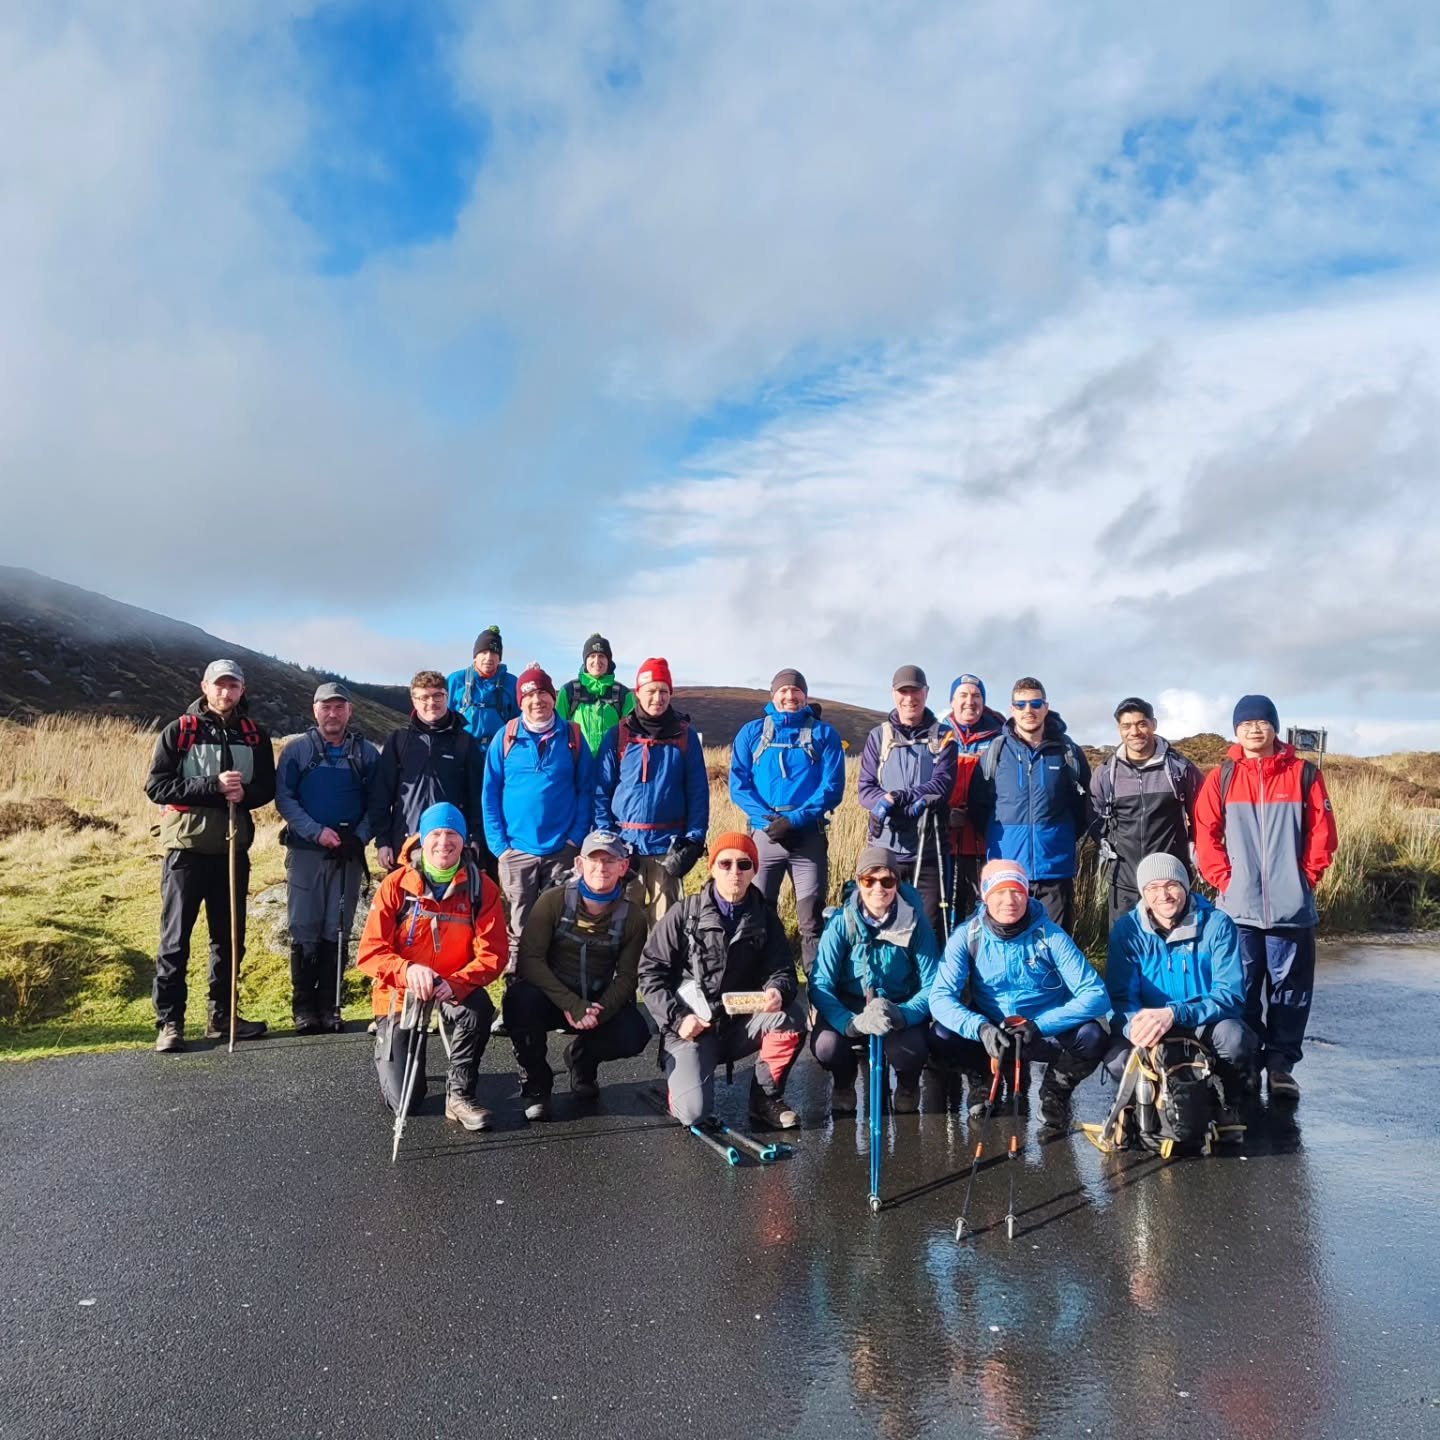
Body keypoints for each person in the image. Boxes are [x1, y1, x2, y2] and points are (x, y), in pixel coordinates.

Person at [1194, 695, 1338, 1101]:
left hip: (1291, 909)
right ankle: (1246, 1064)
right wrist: (1225, 880)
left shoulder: (1304, 773)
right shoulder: (1221, 777)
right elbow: (1205, 834)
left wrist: (1306, 878)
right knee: (1239, 990)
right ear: (1236, 730)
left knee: (1290, 992)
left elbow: (1322, 832)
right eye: (1246, 724)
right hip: (1237, 911)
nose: (1255, 729)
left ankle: (1280, 1067)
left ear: (1274, 726)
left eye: (1262, 722)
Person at [145, 659, 276, 1052]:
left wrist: (245, 794)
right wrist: (212, 786)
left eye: (232, 685)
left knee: (229, 940)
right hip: (185, 851)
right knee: (175, 940)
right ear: (205, 686)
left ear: (242, 689)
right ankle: (170, 1022)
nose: (225, 692)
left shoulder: (254, 735)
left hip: (232, 849)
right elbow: (157, 787)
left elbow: (267, 787)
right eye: (219, 685)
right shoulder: (180, 731)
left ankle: (222, 1017)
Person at [639, 832, 806, 1130]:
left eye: (744, 864)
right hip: (692, 1027)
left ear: (754, 870)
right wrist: (678, 1020)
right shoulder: (684, 914)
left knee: (791, 1017)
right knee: (693, 1114)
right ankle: (682, 1085)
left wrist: (777, 990)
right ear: (712, 868)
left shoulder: (765, 917)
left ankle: (765, 1098)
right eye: (725, 863)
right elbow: (650, 973)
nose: (734, 872)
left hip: (740, 1025)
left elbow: (782, 970)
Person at [355, 803, 507, 1130]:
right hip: (402, 992)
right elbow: (370, 952)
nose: (443, 842)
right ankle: (394, 1045)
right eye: (435, 833)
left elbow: (493, 954)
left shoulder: (482, 888)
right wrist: (408, 971)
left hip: (451, 985)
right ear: (423, 839)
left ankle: (460, 1094)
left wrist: (457, 983)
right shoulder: (395, 885)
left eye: (452, 833)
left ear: (463, 839)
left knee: (478, 1008)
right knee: (404, 1102)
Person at [929, 859, 1107, 1132]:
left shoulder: (1051, 936)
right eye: (1000, 892)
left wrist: (1040, 1026)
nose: (1009, 900)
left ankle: (1055, 1089)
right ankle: (981, 1078)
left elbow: (1095, 994)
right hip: (992, 1032)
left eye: (1016, 891)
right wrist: (980, 1028)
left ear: (1026, 894)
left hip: (1040, 1032)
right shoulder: (967, 935)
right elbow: (940, 998)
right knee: (940, 1035)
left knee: (1092, 1037)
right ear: (985, 896)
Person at [503, 829, 652, 1120]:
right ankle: (537, 1086)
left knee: (634, 1034)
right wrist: (572, 1005)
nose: (601, 867)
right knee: (518, 1001)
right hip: (551, 995)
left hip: (596, 1001)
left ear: (623, 866)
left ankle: (582, 1060)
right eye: (594, 860)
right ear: (579, 864)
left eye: (610, 861)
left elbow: (627, 977)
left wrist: (598, 1010)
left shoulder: (633, 917)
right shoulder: (553, 901)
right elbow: (530, 961)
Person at [1104, 852, 1257, 1105]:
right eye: (1153, 888)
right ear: (1143, 892)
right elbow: (1120, 999)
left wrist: (1175, 1013)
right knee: (1117, 1061)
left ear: (1185, 886)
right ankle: (1142, 1107)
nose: (1163, 895)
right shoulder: (1127, 931)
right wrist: (1134, 1027)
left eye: (1171, 885)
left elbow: (1230, 995)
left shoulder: (1217, 925)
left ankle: (1227, 1098)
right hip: (1151, 1023)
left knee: (1234, 1040)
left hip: (1203, 1023)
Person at [274, 681, 379, 1033]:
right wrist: (316, 831)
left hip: (347, 856)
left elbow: (379, 802)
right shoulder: (296, 751)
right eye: (326, 707)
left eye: (339, 707)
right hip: (306, 853)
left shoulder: (366, 754)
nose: (332, 713)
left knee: (338, 927)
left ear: (349, 711)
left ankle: (330, 1006)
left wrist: (359, 837)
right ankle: (304, 1008)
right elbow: (285, 798)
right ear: (315, 710)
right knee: (304, 926)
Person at [729, 668, 847, 976]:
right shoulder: (751, 733)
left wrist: (794, 820)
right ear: (773, 695)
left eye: (796, 691)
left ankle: (818, 990)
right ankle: (763, 982)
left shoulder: (824, 734)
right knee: (758, 914)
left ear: (805, 696)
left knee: (811, 919)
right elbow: (739, 785)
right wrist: (768, 821)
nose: (790, 696)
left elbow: (832, 788)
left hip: (807, 837)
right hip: (765, 835)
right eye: (783, 690)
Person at [810, 846, 939, 1116]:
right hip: (850, 1004)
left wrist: (902, 1014)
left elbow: (932, 985)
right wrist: (849, 1023)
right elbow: (820, 984)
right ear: (859, 882)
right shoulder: (841, 922)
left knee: (912, 1050)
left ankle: (907, 1084)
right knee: (826, 1046)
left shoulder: (916, 924)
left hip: (899, 1004)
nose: (878, 888)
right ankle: (844, 1082)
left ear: (897, 884)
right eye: (869, 880)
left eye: (887, 881)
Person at [483, 663, 596, 966]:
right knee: (519, 925)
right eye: (529, 696)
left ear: (553, 696)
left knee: (561, 922)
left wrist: (574, 839)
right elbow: (490, 793)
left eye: (543, 693)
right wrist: (500, 847)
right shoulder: (504, 738)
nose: (537, 701)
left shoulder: (572, 736)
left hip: (561, 850)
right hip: (516, 851)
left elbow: (586, 790)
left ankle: (557, 985)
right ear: (520, 702)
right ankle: (519, 983)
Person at [966, 677, 1092, 934]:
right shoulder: (996, 752)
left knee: (1055, 943)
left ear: (1046, 707)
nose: (1028, 710)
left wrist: (1062, 836)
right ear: (1012, 709)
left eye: (1035, 704)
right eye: (1021, 704)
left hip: (1054, 869)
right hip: (1007, 871)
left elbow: (1085, 804)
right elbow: (978, 806)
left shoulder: (1068, 752)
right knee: (1009, 944)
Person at [593, 657, 708, 924]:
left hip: (667, 848)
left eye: (664, 691)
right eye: (651, 690)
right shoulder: (618, 736)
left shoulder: (685, 737)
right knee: (621, 925)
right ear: (638, 693)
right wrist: (609, 842)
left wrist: (694, 841)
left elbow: (698, 793)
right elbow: (600, 792)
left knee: (665, 927)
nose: (658, 697)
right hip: (625, 848)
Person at [856, 665, 957, 939]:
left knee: (929, 927)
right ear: (893, 694)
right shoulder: (879, 736)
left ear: (926, 693)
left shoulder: (944, 736)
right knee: (882, 923)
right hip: (885, 850)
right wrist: (884, 804)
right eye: (903, 691)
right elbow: (865, 789)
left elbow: (941, 785)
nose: (909, 698)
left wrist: (899, 798)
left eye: (915, 691)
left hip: (929, 849)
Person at [1092, 696, 1203, 929]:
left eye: (1141, 724)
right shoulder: (1106, 773)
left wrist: (1195, 851)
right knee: (1126, 945)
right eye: (1126, 726)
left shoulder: (1180, 769)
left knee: (1174, 943)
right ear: (1119, 729)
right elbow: (1094, 819)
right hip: (1124, 882)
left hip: (1169, 882)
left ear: (1153, 724)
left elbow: (1201, 816)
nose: (1134, 731)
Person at [368, 670, 486, 873]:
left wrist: (474, 839)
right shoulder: (399, 741)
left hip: (450, 845)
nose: (431, 702)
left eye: (438, 695)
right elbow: (381, 795)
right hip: (405, 844)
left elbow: (477, 796)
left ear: (447, 697)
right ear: (414, 701)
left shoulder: (465, 742)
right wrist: (383, 841)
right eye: (424, 697)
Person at [939, 673, 1006, 919]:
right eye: (963, 695)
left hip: (987, 841)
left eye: (976, 696)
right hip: (946, 839)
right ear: (952, 701)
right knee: (946, 908)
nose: (970, 701)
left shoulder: (1001, 738)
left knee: (986, 909)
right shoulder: (938, 735)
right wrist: (945, 815)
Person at [555, 633, 634, 756]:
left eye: (601, 656)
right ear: (585, 660)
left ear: (608, 660)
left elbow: (630, 735)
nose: (597, 661)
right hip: (578, 762)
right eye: (592, 656)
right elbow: (557, 731)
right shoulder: (568, 691)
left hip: (611, 763)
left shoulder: (624, 695)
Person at [446, 625, 518, 755]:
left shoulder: (512, 683)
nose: (489, 657)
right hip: (461, 752)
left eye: (494, 653)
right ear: (475, 656)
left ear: (499, 658)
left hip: (498, 752)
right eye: (484, 652)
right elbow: (443, 716)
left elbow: (521, 720)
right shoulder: (456, 680)